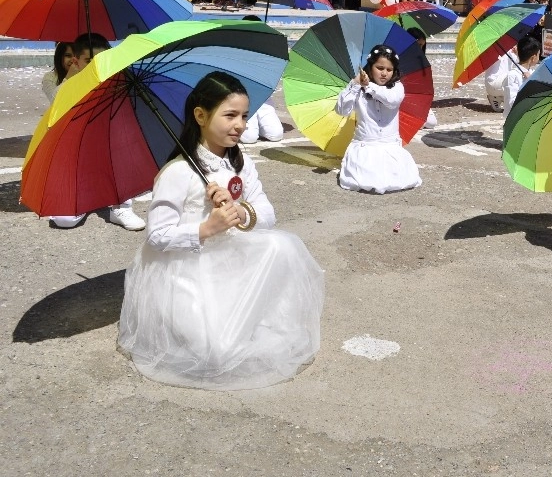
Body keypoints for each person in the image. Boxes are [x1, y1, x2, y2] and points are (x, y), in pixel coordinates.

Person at [117, 71, 324, 390]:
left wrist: (242, 211)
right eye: (230, 115)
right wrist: (205, 228)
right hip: (185, 271)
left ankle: (243, 311)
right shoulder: (178, 172)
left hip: (231, 257)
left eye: (244, 115)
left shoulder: (240, 164)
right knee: (218, 351)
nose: (240, 124)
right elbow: (157, 237)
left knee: (281, 246)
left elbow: (267, 211)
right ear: (200, 115)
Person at [49, 34, 147, 230]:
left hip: (112, 150)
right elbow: (55, 106)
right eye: (89, 60)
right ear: (76, 62)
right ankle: (85, 197)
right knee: (63, 221)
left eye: (102, 59)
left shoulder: (118, 82)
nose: (96, 64)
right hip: (77, 155)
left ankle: (121, 204)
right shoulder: (68, 87)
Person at [335, 45, 422, 193]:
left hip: (390, 147)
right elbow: (342, 110)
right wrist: (355, 84)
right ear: (370, 67)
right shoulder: (358, 88)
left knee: (400, 179)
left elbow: (392, 100)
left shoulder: (397, 87)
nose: (384, 73)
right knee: (366, 179)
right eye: (380, 68)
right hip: (365, 147)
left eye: (389, 70)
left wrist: (369, 87)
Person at [502, 37, 541, 117]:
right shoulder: (512, 75)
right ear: (533, 58)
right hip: (514, 120)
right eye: (538, 55)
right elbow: (512, 103)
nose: (539, 57)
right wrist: (529, 83)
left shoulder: (532, 73)